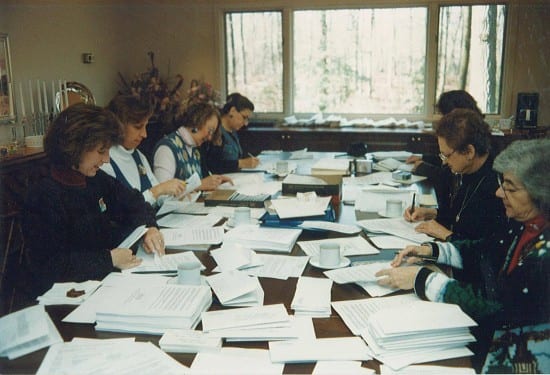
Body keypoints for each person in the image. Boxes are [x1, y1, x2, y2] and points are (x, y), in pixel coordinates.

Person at [376, 138, 550, 367]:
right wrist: (431, 251)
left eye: (510, 188)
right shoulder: (524, 223)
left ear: (541, 192)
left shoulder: (544, 253)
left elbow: (496, 306)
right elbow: (486, 249)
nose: (499, 193)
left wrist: (422, 279)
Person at [22, 103, 165, 297]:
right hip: (68, 299)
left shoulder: (95, 180)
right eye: (101, 151)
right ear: (76, 147)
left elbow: (134, 202)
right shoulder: (42, 197)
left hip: (107, 285)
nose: (106, 159)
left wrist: (150, 228)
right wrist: (109, 259)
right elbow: (50, 266)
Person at [403, 109, 506, 245]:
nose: (444, 162)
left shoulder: (498, 186)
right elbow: (462, 217)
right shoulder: (470, 170)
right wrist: (431, 213)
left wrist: (446, 234)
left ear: (469, 152)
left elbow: (486, 251)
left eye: (447, 155)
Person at [101, 95, 188, 207]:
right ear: (118, 126)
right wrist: (158, 190)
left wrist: (178, 195)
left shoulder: (139, 156)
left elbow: (160, 198)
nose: (144, 134)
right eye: (138, 127)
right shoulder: (104, 162)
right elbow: (122, 211)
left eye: (146, 127)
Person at [153, 102, 232, 191]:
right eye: (210, 130)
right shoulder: (166, 148)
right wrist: (198, 185)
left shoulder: (195, 149)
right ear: (196, 122)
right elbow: (161, 194)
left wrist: (214, 182)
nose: (210, 138)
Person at [202, 93, 259, 174]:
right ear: (232, 111)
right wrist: (241, 163)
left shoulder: (233, 131)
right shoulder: (215, 132)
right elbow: (212, 165)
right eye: (244, 117)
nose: (246, 123)